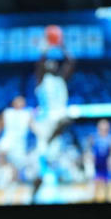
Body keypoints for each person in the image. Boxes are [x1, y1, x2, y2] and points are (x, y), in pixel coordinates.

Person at [31, 44, 75, 202]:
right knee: (43, 163)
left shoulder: (60, 79)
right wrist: (46, 49)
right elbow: (39, 65)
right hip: (46, 122)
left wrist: (62, 47)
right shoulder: (41, 81)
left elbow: (71, 62)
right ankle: (34, 196)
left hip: (58, 122)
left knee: (51, 162)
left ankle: (49, 194)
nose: (51, 65)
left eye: (54, 64)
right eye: (48, 64)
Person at [0, 95, 33, 176]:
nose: (19, 104)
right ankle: (7, 172)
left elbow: (34, 127)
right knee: (2, 152)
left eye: (21, 102)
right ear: (13, 103)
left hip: (20, 144)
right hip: (8, 139)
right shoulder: (7, 113)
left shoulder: (27, 114)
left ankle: (13, 180)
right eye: (17, 102)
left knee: (17, 167)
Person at [88, 119, 111, 202]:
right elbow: (91, 151)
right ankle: (95, 199)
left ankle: (107, 199)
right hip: (97, 165)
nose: (104, 129)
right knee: (96, 183)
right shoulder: (94, 138)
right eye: (102, 127)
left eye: (106, 127)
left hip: (105, 165)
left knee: (107, 183)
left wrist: (110, 162)